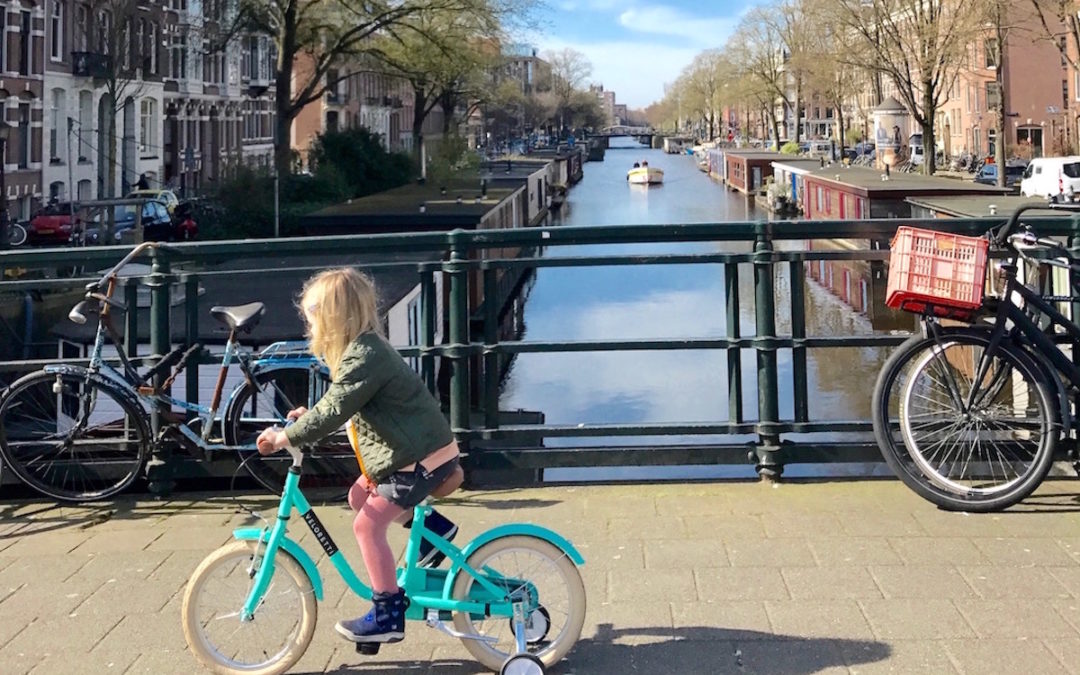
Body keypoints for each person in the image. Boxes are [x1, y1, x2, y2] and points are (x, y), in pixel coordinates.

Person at [256, 267, 462, 645]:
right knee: (357, 496)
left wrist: (285, 436)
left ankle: (387, 614)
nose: (310, 325)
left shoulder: (363, 357)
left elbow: (336, 409)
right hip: (415, 452)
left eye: (314, 317)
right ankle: (434, 533)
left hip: (418, 460)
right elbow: (343, 406)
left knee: (366, 526)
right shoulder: (364, 350)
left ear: (333, 318)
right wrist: (308, 419)